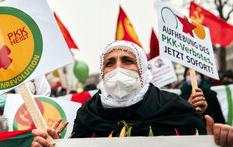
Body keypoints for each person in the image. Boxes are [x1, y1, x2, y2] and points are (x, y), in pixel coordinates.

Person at [31, 40, 233, 147]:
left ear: (143, 70)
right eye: (110, 63)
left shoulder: (175, 107)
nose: (118, 68)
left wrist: (215, 143)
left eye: (127, 61)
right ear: (102, 73)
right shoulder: (87, 114)